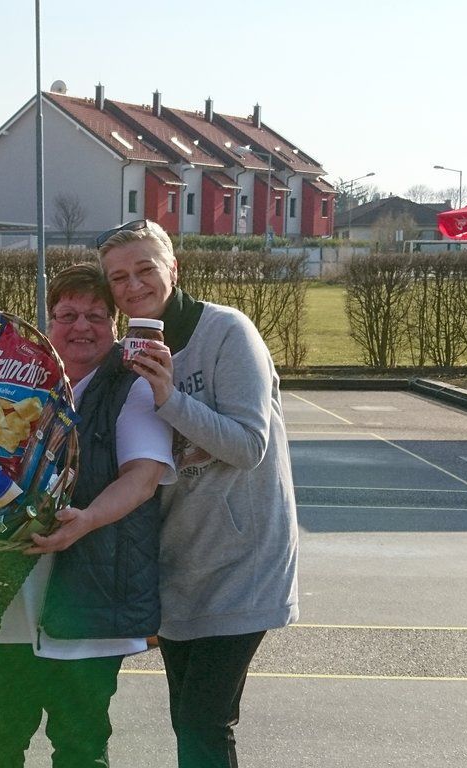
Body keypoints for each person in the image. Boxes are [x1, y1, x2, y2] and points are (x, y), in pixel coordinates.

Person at [96, 219, 299, 768]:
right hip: (178, 568)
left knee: (203, 723)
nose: (133, 285)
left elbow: (249, 445)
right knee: (189, 721)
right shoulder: (128, 352)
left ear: (173, 269)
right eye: (119, 277)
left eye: (145, 269)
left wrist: (169, 396)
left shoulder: (227, 332)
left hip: (241, 564)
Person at [0, 263, 176, 768]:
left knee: (80, 749)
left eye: (96, 316)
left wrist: (87, 519)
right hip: (9, 605)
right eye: (67, 315)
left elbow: (143, 477)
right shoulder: (14, 381)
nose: (81, 326)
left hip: (89, 603)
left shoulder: (131, 386)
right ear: (49, 322)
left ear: (114, 326)